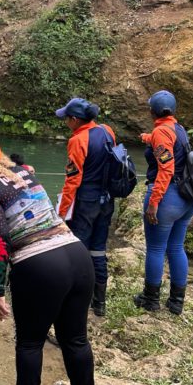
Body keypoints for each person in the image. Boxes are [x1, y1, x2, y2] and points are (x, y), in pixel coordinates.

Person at [0, 134, 95, 385]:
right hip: (77, 254)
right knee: (75, 338)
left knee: (30, 342)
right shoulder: (24, 172)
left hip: (39, 265)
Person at [133, 90, 193, 315]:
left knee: (156, 248)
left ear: (152, 111)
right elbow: (170, 148)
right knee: (176, 247)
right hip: (187, 198)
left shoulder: (161, 132)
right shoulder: (178, 129)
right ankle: (177, 302)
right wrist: (147, 138)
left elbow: (166, 169)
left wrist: (153, 202)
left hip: (168, 198)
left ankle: (150, 299)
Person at [55, 97, 116, 317]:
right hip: (107, 200)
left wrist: (61, 213)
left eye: (67, 119)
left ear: (75, 119)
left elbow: (73, 180)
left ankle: (75, 302)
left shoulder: (78, 140)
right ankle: (99, 304)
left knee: (77, 251)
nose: (65, 123)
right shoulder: (107, 131)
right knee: (98, 250)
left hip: (85, 202)